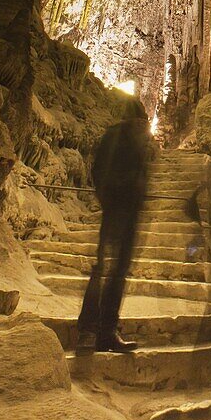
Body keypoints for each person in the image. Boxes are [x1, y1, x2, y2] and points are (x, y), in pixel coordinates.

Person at [76, 99, 156, 354]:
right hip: (115, 210)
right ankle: (89, 330)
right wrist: (110, 198)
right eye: (139, 119)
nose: (141, 125)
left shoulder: (139, 142)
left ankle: (106, 331)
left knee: (117, 273)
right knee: (103, 270)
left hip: (130, 212)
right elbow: (100, 170)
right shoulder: (115, 137)